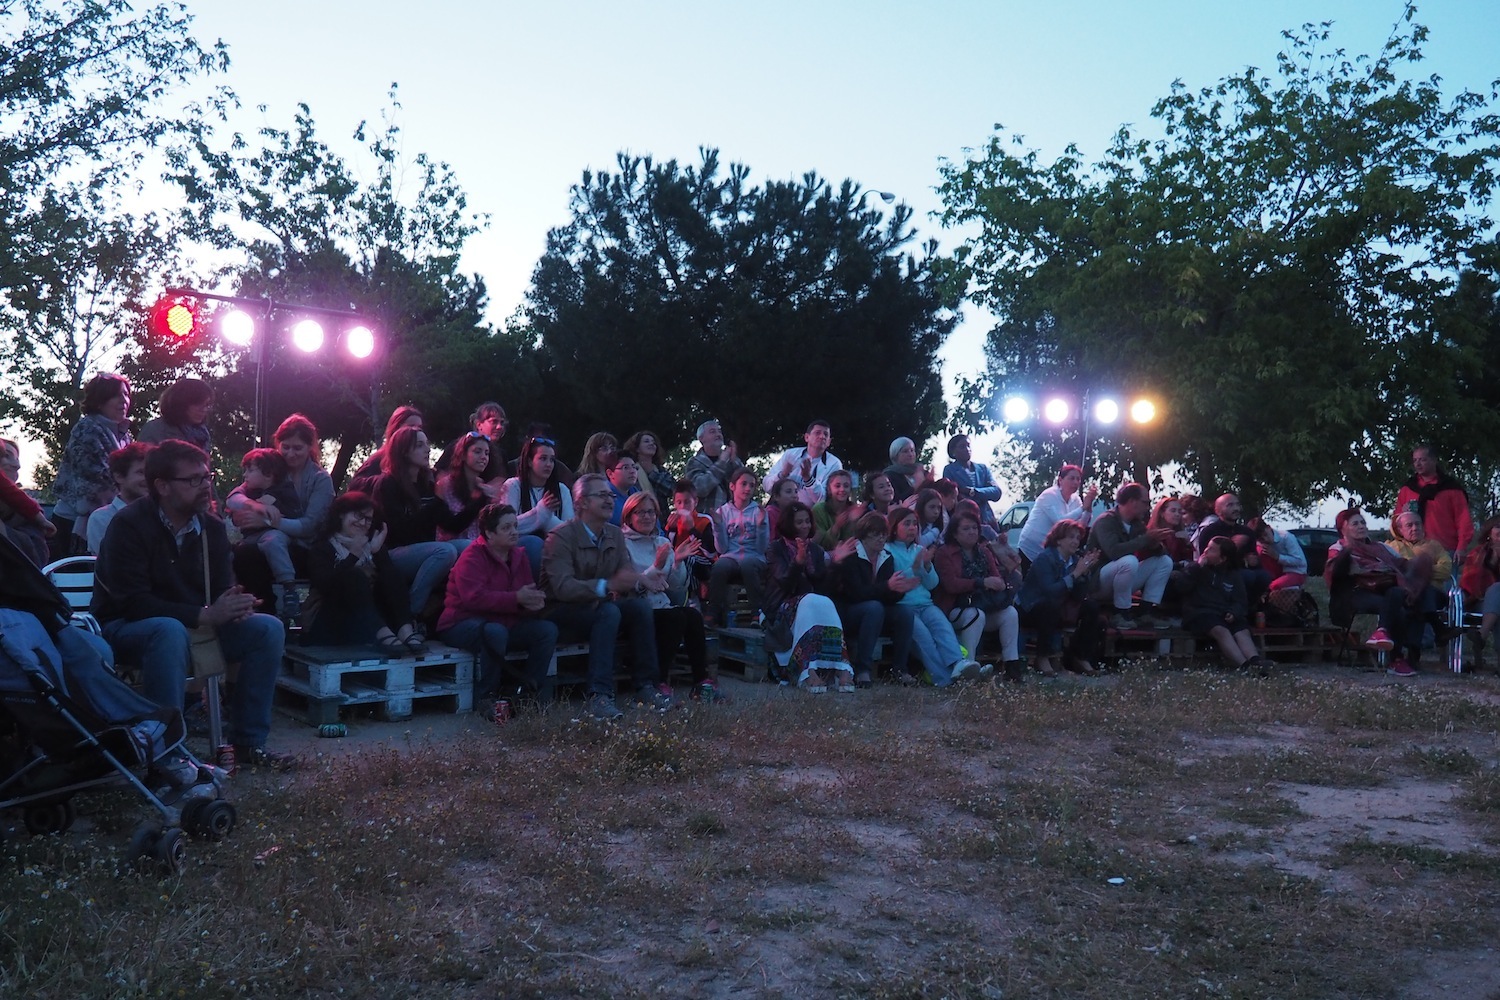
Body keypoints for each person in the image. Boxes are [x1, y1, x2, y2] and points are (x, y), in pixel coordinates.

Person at [91, 439, 292, 769]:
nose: (205, 486)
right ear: (163, 486)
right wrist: (205, 614)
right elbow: (132, 603)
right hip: (125, 628)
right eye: (194, 480)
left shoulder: (211, 527)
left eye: (207, 476)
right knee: (169, 631)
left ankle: (249, 743)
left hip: (193, 626)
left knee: (267, 628)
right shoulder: (129, 525)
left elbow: (219, 588)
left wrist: (235, 602)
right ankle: (166, 753)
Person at [541, 474, 671, 720]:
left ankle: (645, 685)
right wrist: (606, 586)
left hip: (598, 606)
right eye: (601, 495)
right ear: (580, 503)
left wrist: (633, 581)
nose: (610, 500)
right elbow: (562, 588)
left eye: (611, 495)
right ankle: (599, 695)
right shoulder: (561, 537)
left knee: (639, 608)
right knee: (609, 611)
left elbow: (625, 574)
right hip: (560, 611)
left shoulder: (614, 534)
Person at [438, 503, 559, 708]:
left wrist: (533, 602)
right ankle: (488, 695)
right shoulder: (472, 557)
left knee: (546, 630)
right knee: (495, 632)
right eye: (506, 528)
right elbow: (473, 599)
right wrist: (517, 600)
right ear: (489, 533)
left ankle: (527, 692)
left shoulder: (520, 556)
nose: (514, 532)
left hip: (504, 621)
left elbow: (523, 594)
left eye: (515, 526)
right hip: (461, 623)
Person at [227, 414, 336, 615]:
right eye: (285, 447)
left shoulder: (320, 480)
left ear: (309, 447)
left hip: (304, 547)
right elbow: (237, 495)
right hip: (266, 541)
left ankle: (278, 604)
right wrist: (252, 506)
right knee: (243, 553)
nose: (290, 454)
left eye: (297, 448)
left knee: (262, 550)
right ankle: (259, 611)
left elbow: (309, 526)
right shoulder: (271, 470)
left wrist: (268, 521)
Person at [619, 492, 719, 702]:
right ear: (629, 516)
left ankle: (701, 681)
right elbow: (631, 585)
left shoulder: (662, 542)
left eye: (651, 512)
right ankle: (659, 679)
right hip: (637, 608)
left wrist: (678, 561)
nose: (647, 517)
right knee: (675, 618)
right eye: (640, 513)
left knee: (692, 614)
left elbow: (676, 587)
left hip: (662, 605)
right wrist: (656, 566)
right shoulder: (622, 544)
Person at [371, 426, 471, 622]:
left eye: (427, 444)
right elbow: (401, 531)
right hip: (394, 552)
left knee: (469, 547)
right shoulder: (388, 484)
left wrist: (479, 501)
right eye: (419, 445)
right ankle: (411, 613)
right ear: (403, 451)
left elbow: (452, 525)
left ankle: (458, 609)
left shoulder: (426, 484)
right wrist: (436, 503)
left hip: (424, 550)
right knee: (446, 552)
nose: (427, 449)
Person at [302, 491, 424, 651]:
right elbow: (325, 585)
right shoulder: (323, 547)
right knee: (354, 576)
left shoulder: (372, 546)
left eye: (368, 519)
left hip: (365, 619)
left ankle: (405, 629)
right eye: (358, 516)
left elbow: (391, 583)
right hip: (332, 618)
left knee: (393, 573)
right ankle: (381, 633)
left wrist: (376, 553)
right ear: (341, 515)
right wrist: (353, 555)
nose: (363, 523)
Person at [1324, 507, 1435, 677]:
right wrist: (1347, 559)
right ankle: (1397, 659)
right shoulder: (1338, 548)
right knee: (1398, 602)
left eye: (1363, 522)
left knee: (1412, 594)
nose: (1361, 526)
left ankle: (1396, 643)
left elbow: (1400, 565)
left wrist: (1420, 564)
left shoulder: (1380, 547)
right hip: (1354, 592)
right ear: (1343, 528)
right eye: (1355, 523)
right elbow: (1335, 573)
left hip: (1384, 590)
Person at [884, 506, 983, 685]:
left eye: (915, 524)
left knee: (943, 630)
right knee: (925, 640)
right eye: (907, 524)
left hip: (925, 604)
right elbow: (894, 582)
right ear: (894, 527)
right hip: (904, 607)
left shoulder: (919, 550)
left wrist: (927, 567)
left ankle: (959, 665)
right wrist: (914, 569)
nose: (912, 528)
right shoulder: (887, 550)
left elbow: (932, 584)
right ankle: (945, 679)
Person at [763, 501, 855, 692]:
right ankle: (807, 671)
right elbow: (785, 583)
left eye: (807, 521)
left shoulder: (816, 550)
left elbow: (823, 587)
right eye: (799, 522)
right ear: (790, 524)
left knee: (825, 601)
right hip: (781, 606)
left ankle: (841, 667)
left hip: (810, 604)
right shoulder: (776, 549)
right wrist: (797, 562)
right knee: (810, 600)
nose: (805, 526)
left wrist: (836, 563)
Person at [51, 372, 133, 557]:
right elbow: (97, 478)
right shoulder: (87, 428)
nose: (124, 400)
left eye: (126, 394)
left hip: (108, 517)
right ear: (99, 401)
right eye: (116, 395)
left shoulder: (123, 434)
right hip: (73, 522)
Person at [934, 509, 1020, 679]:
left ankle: (1012, 666)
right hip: (955, 607)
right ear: (955, 533)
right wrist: (981, 582)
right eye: (966, 529)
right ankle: (968, 666)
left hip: (984, 603)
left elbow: (996, 577)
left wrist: (999, 583)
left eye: (974, 528)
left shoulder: (984, 552)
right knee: (975, 615)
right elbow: (950, 584)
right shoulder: (944, 553)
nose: (972, 532)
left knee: (1010, 613)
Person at [829, 511, 910, 688]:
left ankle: (900, 669)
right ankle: (863, 669)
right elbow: (856, 593)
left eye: (883, 534)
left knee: (905, 612)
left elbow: (886, 596)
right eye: (876, 535)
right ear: (864, 537)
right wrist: (887, 587)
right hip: (848, 611)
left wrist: (898, 590)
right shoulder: (852, 555)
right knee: (874, 608)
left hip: (875, 609)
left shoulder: (886, 557)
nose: (881, 539)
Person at [1015, 519, 1105, 678]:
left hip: (1059, 606)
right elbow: (1049, 591)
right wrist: (1076, 574)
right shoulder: (1045, 558)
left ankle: (1081, 657)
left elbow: (1078, 596)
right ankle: (1042, 658)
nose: (1075, 541)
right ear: (1058, 540)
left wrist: (1085, 574)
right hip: (1030, 608)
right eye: (1071, 537)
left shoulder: (1075, 560)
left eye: (1078, 538)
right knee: (1049, 607)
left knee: (1091, 607)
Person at [225, 447, 303, 618]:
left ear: (268, 474)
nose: (245, 475)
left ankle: (289, 586)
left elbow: (295, 514)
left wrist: (271, 516)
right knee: (234, 553)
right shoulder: (247, 490)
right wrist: (256, 506)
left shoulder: (284, 490)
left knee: (273, 541)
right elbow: (232, 500)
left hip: (274, 533)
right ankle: (233, 590)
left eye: (250, 470)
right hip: (251, 538)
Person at [1086, 483, 1176, 630]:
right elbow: (1114, 552)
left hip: (1121, 581)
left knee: (1164, 561)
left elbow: (1158, 552)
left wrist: (1155, 545)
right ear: (1132, 501)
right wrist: (1146, 539)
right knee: (1129, 561)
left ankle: (1145, 611)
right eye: (1145, 502)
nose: (1148, 507)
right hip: (1098, 584)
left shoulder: (1136, 524)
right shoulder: (1106, 521)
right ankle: (1120, 613)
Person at [1182, 536, 1274, 671]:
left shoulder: (1233, 575)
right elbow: (1182, 587)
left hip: (1224, 612)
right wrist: (1197, 567)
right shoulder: (1196, 568)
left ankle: (1255, 661)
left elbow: (1240, 600)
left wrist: (1233, 612)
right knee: (1221, 630)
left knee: (1241, 630)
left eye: (1212, 550)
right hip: (1200, 612)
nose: (1206, 551)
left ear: (1223, 558)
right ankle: (1245, 666)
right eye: (1207, 547)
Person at [499, 434, 572, 577]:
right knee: (533, 543)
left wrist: (545, 517)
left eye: (552, 459)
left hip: (556, 545)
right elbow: (508, 527)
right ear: (530, 462)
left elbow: (569, 531)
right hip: (518, 545)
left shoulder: (561, 489)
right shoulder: (513, 486)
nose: (549, 464)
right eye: (543, 458)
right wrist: (542, 511)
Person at [138, 376, 217, 507]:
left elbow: (206, 476)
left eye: (206, 405)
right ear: (181, 403)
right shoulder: (155, 430)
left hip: (198, 504)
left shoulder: (202, 434)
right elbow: (143, 473)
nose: (203, 409)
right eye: (198, 404)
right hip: (165, 504)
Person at [708, 469, 769, 624]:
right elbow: (721, 549)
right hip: (731, 556)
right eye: (744, 484)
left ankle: (757, 611)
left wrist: (761, 526)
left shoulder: (758, 511)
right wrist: (718, 525)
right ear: (732, 486)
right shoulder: (722, 511)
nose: (748, 488)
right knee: (720, 566)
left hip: (754, 556)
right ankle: (714, 610)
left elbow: (762, 548)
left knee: (748, 565)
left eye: (752, 485)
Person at [1192, 493, 1270, 613]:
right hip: (1218, 571)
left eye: (1238, 505)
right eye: (1230, 505)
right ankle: (1233, 610)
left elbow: (1254, 558)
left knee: (1264, 576)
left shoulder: (1246, 531)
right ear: (1218, 511)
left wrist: (1253, 560)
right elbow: (1207, 558)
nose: (1236, 509)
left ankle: (1249, 608)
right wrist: (1232, 546)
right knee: (1247, 576)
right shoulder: (1210, 531)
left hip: (1243, 569)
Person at [1394, 444, 1473, 556]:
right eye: (1415, 460)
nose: (1418, 464)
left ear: (1434, 460)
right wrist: (1403, 513)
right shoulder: (1408, 489)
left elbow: (1463, 519)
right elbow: (1396, 522)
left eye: (1422, 460)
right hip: (1412, 551)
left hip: (1445, 549)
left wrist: (1462, 547)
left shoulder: (1451, 488)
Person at [1017, 465, 1098, 566]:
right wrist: (1082, 508)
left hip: (1052, 551)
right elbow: (1059, 522)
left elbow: (1081, 525)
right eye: (1071, 478)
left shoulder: (1076, 499)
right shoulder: (1049, 495)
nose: (1076, 482)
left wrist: (1088, 507)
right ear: (1060, 480)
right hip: (1031, 548)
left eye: (1078, 479)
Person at [0, 438, 58, 565]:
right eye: (6, 456)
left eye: (16, 459)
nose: (17, 465)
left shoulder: (26, 516)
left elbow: (37, 559)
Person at [435, 433, 497, 544]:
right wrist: (480, 500)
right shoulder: (445, 485)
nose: (483, 457)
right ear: (463, 455)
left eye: (487, 453)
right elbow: (452, 526)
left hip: (477, 545)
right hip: (453, 546)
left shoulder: (484, 487)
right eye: (477, 452)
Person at [762, 419, 842, 504]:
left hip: (810, 515)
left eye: (826, 434)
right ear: (807, 437)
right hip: (781, 511)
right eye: (817, 433)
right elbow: (767, 486)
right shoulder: (790, 455)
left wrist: (808, 479)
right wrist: (783, 474)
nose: (822, 436)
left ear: (829, 442)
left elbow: (824, 500)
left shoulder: (834, 464)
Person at [347, 404, 423, 493]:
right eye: (411, 426)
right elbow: (355, 486)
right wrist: (386, 481)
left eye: (419, 427)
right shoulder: (379, 458)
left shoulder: (419, 461)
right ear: (396, 428)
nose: (416, 430)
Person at [664, 478, 716, 603]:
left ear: (695, 502)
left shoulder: (704, 520)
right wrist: (671, 530)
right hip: (678, 561)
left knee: (687, 559)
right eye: (679, 502)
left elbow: (710, 552)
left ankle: (692, 596)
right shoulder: (672, 521)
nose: (683, 507)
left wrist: (692, 529)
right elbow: (668, 547)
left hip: (704, 562)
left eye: (687, 502)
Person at [1459, 517, 1500, 670]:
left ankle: (1480, 636)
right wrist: (1493, 561)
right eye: (1498, 526)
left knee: (1498, 591)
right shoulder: (1477, 553)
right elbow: (1470, 583)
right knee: (1497, 591)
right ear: (1489, 532)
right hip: (1477, 603)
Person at [434, 402, 508, 484]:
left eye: (502, 423)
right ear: (479, 424)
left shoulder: (501, 454)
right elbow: (438, 473)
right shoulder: (459, 446)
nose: (499, 427)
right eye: (494, 422)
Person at [941, 434, 1004, 527]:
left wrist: (973, 491)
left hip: (987, 519)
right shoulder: (950, 470)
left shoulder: (982, 469)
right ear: (953, 452)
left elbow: (996, 492)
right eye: (962, 446)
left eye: (968, 445)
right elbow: (952, 497)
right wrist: (984, 493)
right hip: (965, 521)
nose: (967, 449)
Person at [682, 419, 744, 512]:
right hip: (706, 521)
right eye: (712, 432)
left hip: (732, 520)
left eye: (719, 432)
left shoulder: (731, 460)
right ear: (701, 438)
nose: (718, 435)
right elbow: (700, 488)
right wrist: (721, 463)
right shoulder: (694, 462)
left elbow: (745, 484)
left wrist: (733, 460)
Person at [1246, 515, 1309, 592]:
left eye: (1265, 535)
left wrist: (1278, 557)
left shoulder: (1286, 537)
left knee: (1274, 586)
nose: (1266, 539)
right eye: (1261, 539)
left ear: (1269, 527)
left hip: (1296, 572)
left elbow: (1299, 561)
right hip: (1278, 572)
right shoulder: (1260, 544)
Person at [622, 429, 676, 503]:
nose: (651, 444)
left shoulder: (660, 470)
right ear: (637, 448)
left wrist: (652, 473)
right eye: (646, 441)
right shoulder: (631, 470)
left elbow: (673, 490)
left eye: (654, 442)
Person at [812, 468, 858, 549]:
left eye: (846, 486)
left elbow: (855, 541)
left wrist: (852, 522)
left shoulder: (854, 510)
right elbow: (820, 544)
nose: (842, 489)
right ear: (829, 489)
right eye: (837, 486)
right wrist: (836, 527)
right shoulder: (818, 510)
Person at [884, 437, 928, 504]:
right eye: (905, 451)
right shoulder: (890, 475)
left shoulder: (922, 471)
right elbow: (895, 500)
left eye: (912, 450)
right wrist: (915, 487)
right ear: (895, 455)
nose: (910, 454)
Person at [603, 452, 641, 526]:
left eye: (634, 467)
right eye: (625, 467)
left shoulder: (639, 495)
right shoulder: (604, 498)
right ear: (610, 473)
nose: (632, 471)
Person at [765, 476, 800, 543]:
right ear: (776, 497)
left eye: (796, 491)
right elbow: (770, 541)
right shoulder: (770, 513)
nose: (794, 495)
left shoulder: (797, 512)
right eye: (788, 492)